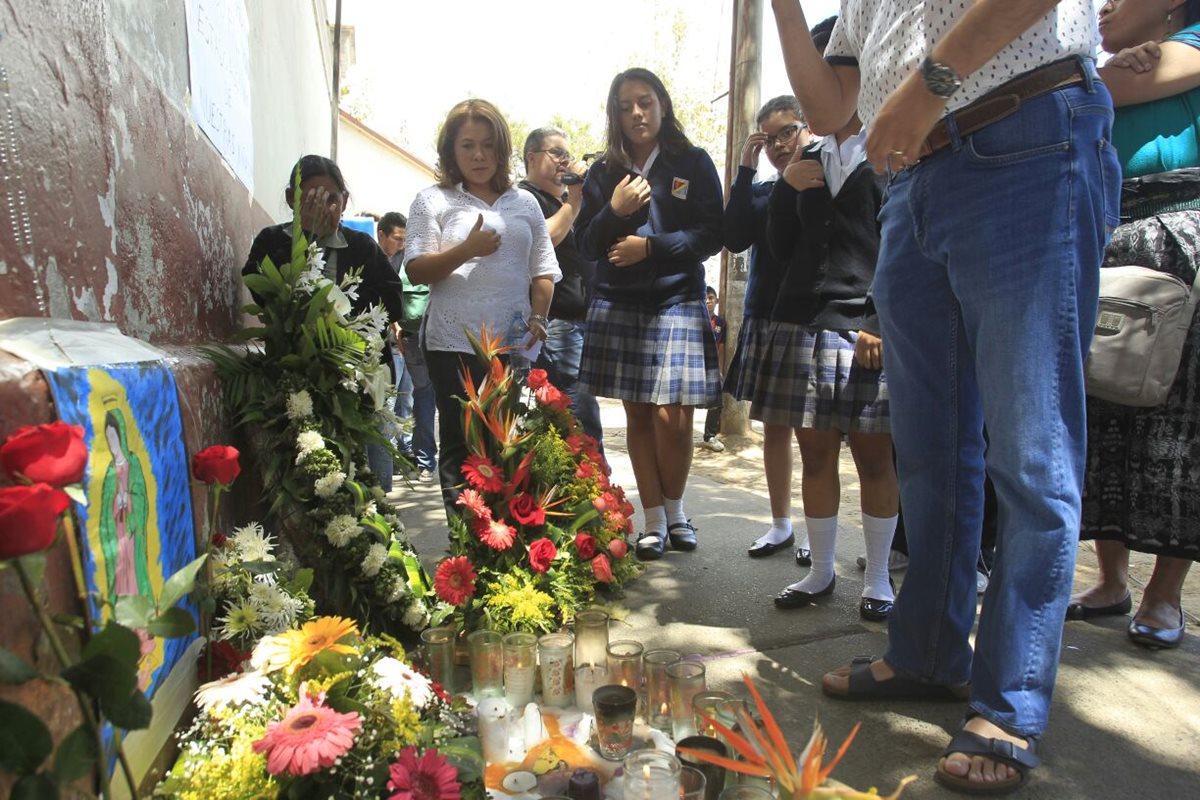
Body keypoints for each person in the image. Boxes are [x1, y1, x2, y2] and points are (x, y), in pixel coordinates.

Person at [772, 0, 1120, 792]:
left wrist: (930, 85)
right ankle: (928, 653)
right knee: (929, 453)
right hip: (915, 186)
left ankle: (1010, 705)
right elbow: (830, 107)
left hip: (1027, 140)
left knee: (1031, 457)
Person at [1069, 0, 1200, 650]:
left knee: (1179, 422)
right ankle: (1112, 580)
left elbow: (1090, 91)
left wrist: (1101, 73)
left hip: (1183, 249)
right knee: (1101, 410)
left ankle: (1164, 594)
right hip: (1108, 235)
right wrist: (1103, 69)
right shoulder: (1110, 63)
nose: (1105, 6)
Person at [752, 59, 897, 622]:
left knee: (874, 457)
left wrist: (878, 320)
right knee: (815, 455)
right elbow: (780, 248)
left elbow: (902, 245)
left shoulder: (890, 147)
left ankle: (879, 579)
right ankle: (820, 572)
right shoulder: (805, 159)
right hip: (801, 324)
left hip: (865, 330)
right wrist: (784, 191)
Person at [575, 67, 724, 561]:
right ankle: (655, 521)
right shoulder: (603, 172)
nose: (636, 113)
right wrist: (614, 210)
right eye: (625, 106)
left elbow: (712, 234)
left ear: (662, 104)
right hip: (620, 302)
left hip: (677, 299)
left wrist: (651, 248)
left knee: (674, 417)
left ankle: (677, 511)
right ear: (615, 115)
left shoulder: (692, 161)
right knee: (638, 413)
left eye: (645, 102)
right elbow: (585, 245)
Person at [405, 99, 560, 517]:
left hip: (511, 345)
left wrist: (539, 316)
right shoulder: (432, 200)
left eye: (488, 145)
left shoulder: (524, 203)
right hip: (452, 344)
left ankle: (502, 536)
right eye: (468, 145)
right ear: (450, 150)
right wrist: (466, 249)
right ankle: (465, 539)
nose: (479, 155)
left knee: (505, 443)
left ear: (502, 149)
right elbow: (416, 269)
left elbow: (544, 270)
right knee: (461, 444)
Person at [243, 155, 405, 489]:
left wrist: (339, 312)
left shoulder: (361, 247)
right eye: (313, 199)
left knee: (370, 477)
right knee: (313, 474)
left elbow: (392, 301)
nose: (325, 208)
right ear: (292, 199)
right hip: (298, 381)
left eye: (332, 199)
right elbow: (265, 292)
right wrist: (306, 239)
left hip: (360, 379)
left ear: (345, 201)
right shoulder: (272, 242)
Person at [723, 94, 818, 562]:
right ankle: (781, 524)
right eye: (769, 138)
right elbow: (733, 236)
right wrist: (745, 169)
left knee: (814, 435)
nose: (780, 144)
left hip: (811, 320)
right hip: (764, 315)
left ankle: (817, 533)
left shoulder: (825, 178)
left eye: (788, 131)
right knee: (774, 428)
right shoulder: (761, 191)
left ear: (807, 129)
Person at [519, 127, 605, 451]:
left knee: (573, 414)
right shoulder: (525, 199)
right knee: (579, 415)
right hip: (555, 324)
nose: (564, 161)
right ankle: (590, 474)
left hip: (580, 323)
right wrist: (575, 200)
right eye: (556, 153)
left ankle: (582, 475)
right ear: (531, 158)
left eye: (567, 155)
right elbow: (543, 241)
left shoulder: (565, 202)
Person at [378, 211, 437, 484]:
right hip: (400, 340)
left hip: (417, 338)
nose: (402, 244)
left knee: (417, 397)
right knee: (398, 399)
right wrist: (396, 327)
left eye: (405, 238)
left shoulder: (414, 258)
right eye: (397, 238)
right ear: (382, 235)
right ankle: (401, 457)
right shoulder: (378, 259)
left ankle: (419, 457)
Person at [700, 286, 727, 453]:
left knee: (716, 402)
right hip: (696, 365)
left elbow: (721, 348)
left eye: (711, 297)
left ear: (716, 300)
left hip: (712, 368)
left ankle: (709, 436)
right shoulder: (697, 319)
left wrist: (720, 370)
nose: (708, 301)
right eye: (705, 298)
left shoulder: (720, 323)